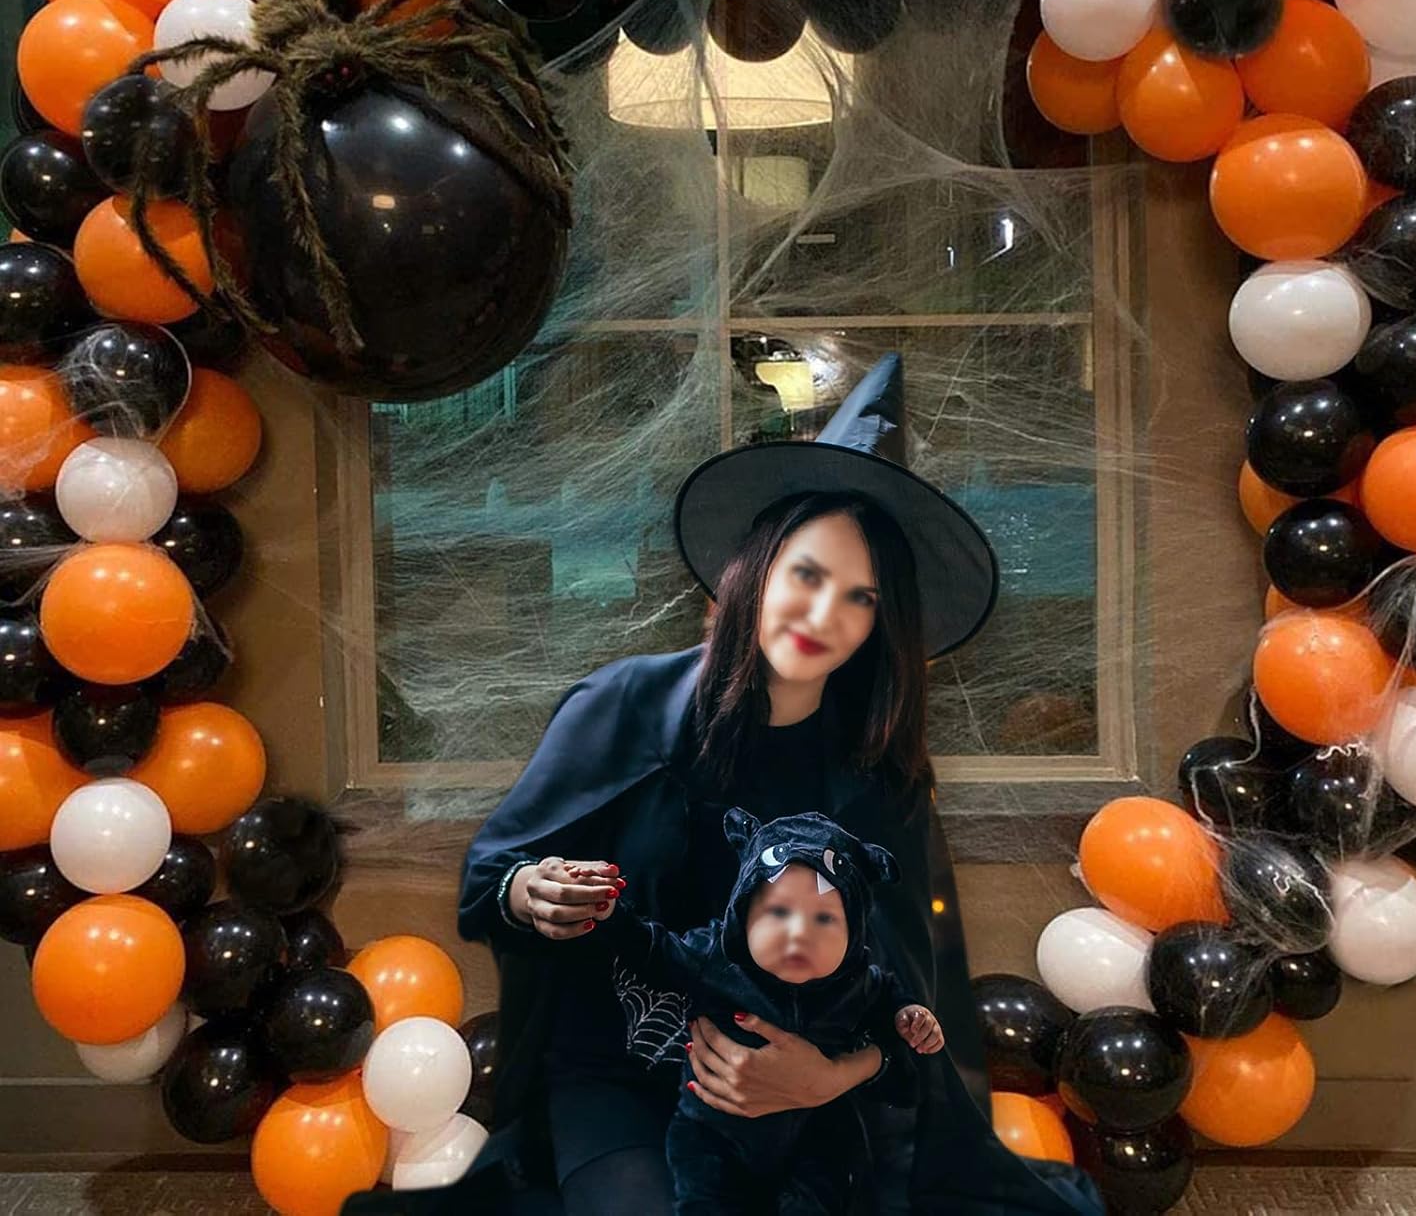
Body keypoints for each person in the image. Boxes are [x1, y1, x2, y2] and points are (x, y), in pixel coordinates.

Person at [377, 352, 1101, 1215]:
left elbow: (910, 982)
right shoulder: (624, 707)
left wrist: (833, 1075)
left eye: (861, 597)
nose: (824, 615)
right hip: (625, 1079)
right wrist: (531, 890)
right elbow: (493, 875)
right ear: (756, 569)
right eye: (808, 574)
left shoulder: (879, 768)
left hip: (815, 1101)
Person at [585, 807, 946, 1214]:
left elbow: (895, 1031)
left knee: (829, 1190)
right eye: (778, 912)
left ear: (855, 931)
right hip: (714, 1135)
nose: (799, 933)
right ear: (743, 913)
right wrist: (611, 914)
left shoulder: (860, 982)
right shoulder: (715, 956)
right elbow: (653, 950)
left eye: (824, 918)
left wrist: (909, 1016)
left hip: (818, 1136)